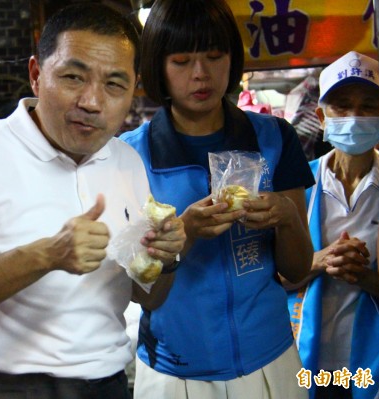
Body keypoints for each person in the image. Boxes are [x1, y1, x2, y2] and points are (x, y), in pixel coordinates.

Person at [0, 3, 185, 399]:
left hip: (106, 384)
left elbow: (146, 295)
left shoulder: (126, 161)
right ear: (36, 75)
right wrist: (47, 255)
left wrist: (166, 259)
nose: (91, 102)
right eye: (72, 77)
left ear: (133, 89)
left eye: (114, 85)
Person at [120, 0, 315, 398]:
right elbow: (143, 294)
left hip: (271, 359)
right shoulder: (130, 157)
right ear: (158, 66)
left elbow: (297, 271)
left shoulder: (274, 138)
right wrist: (184, 236)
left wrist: (288, 218)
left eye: (214, 56)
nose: (200, 74)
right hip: (175, 371)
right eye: (181, 60)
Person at [286, 51, 379, 399]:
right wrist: (323, 259)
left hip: (373, 364)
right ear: (321, 116)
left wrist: (363, 275)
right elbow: (274, 277)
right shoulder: (299, 186)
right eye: (342, 106)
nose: (355, 117)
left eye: (369, 105)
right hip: (304, 359)